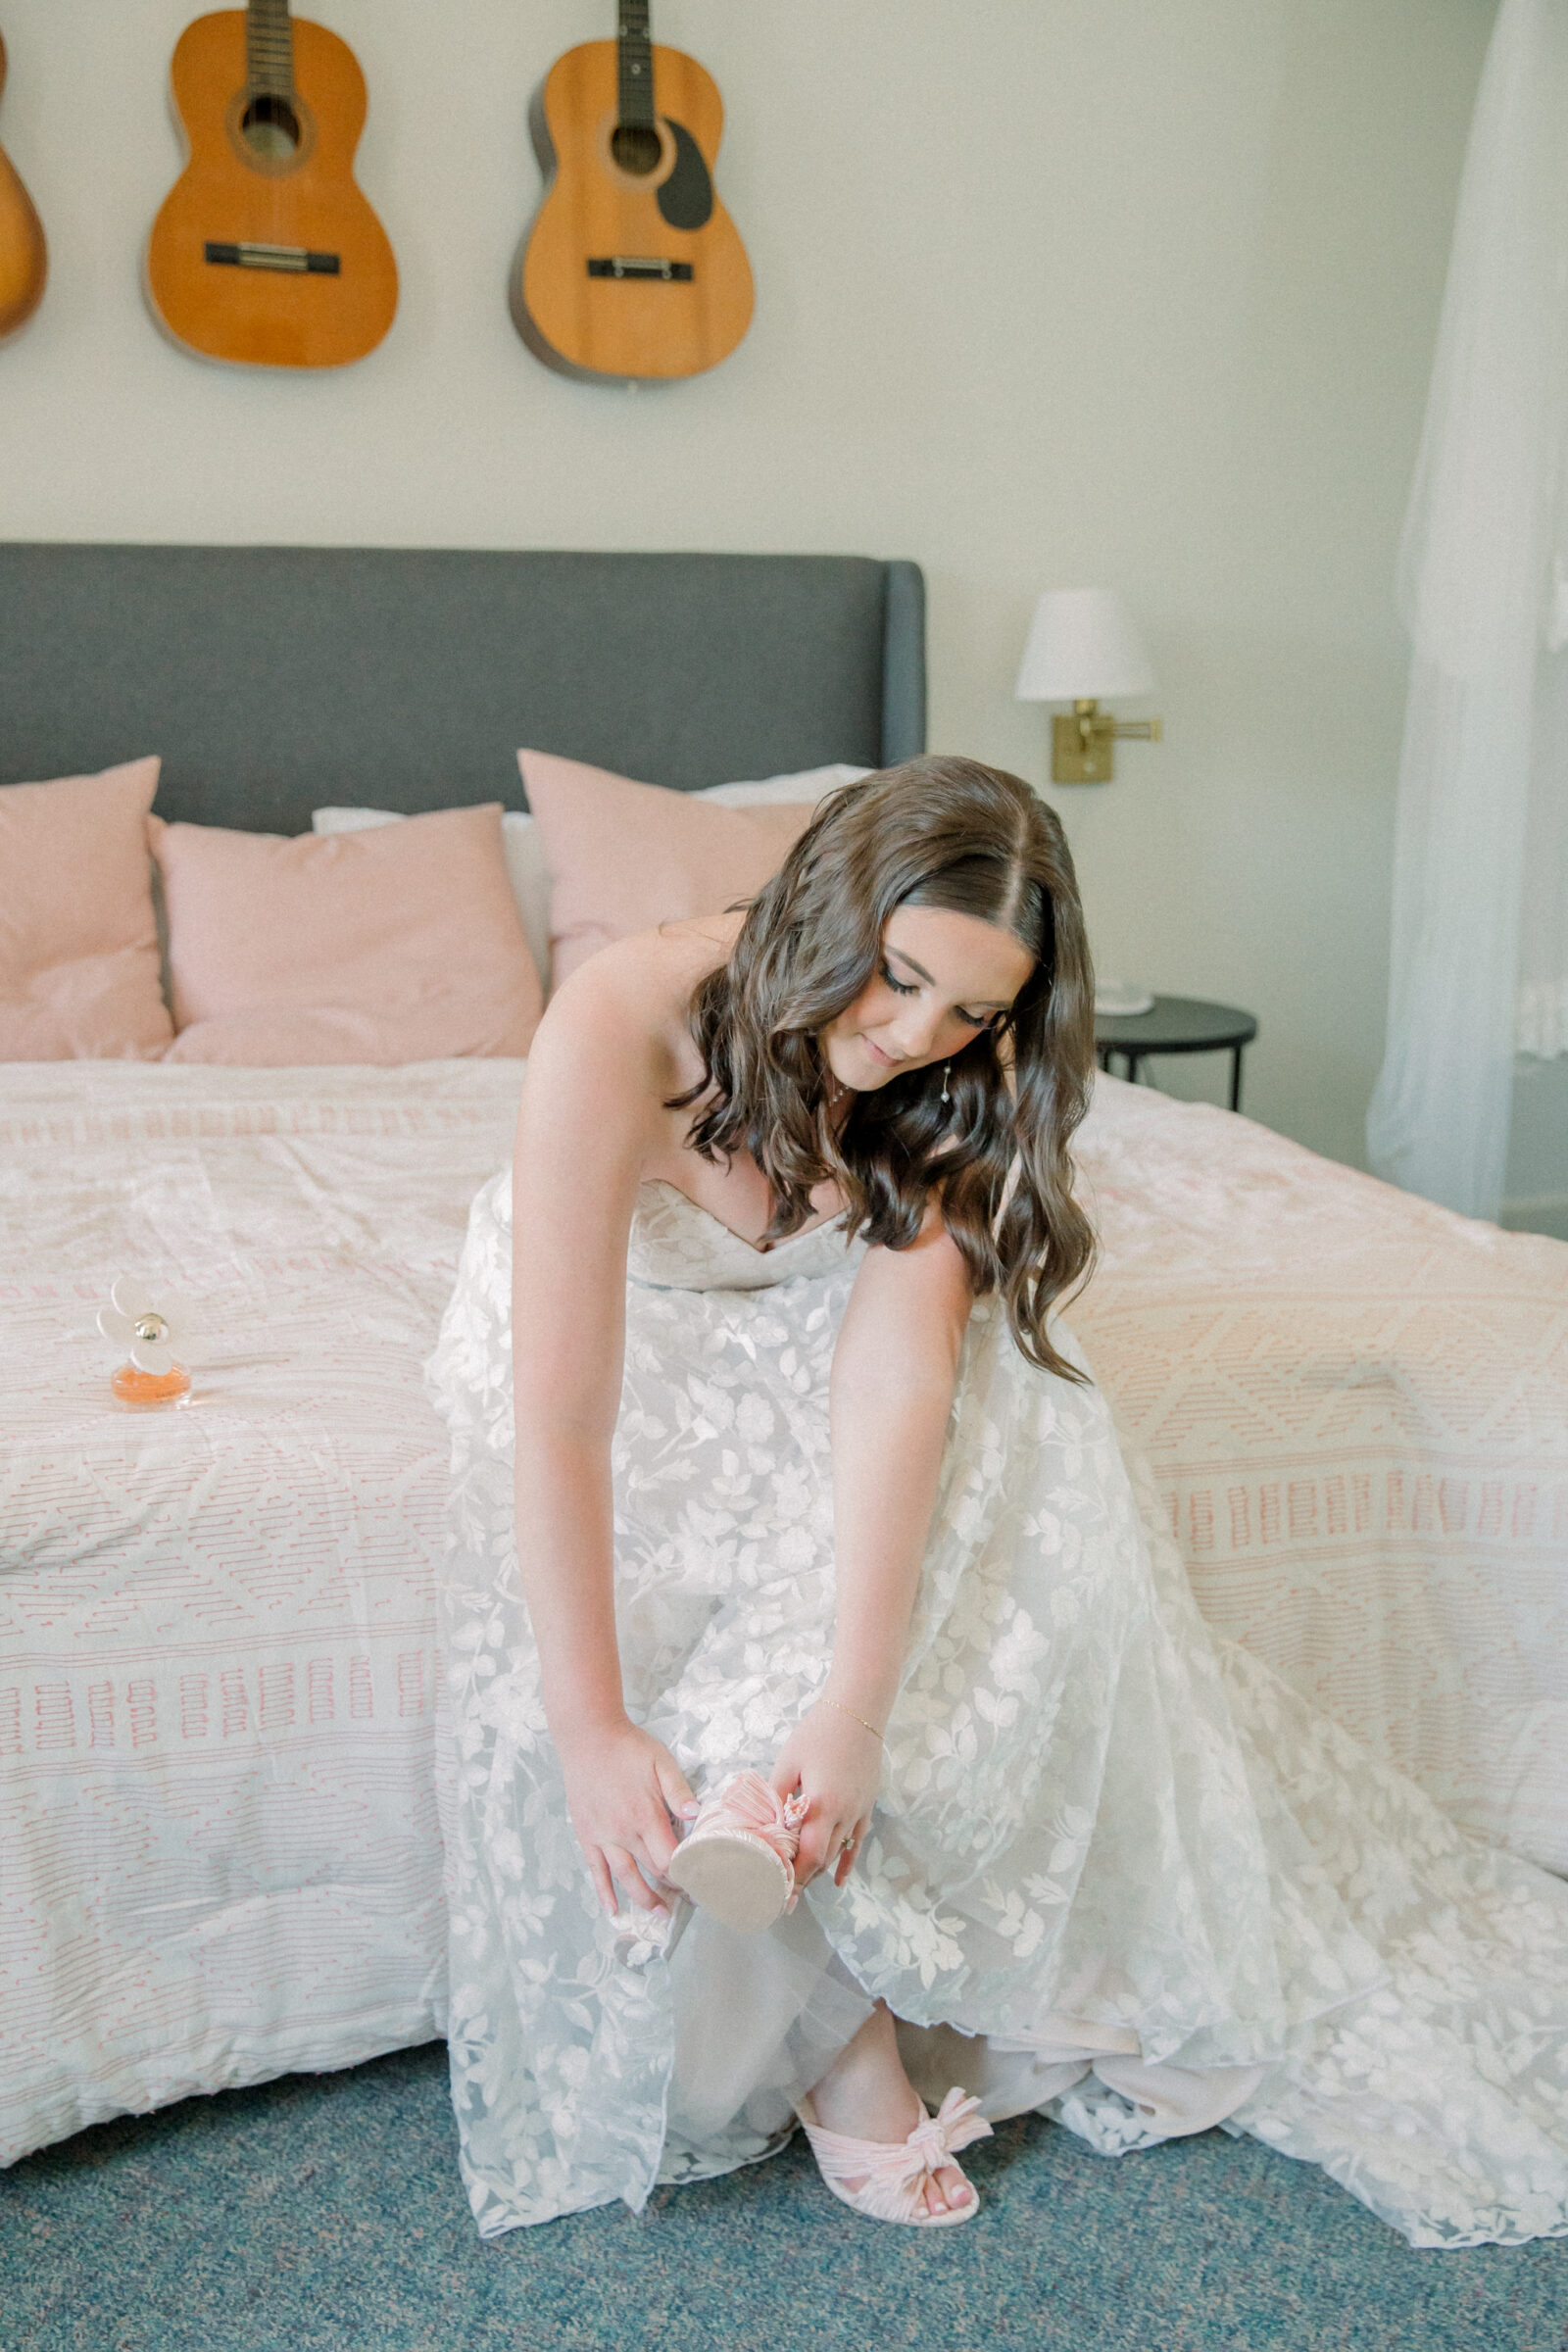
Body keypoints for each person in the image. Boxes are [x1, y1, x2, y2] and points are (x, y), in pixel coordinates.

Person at [430, 756, 1568, 2245]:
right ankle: (836, 2011)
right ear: (827, 910)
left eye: (969, 1011)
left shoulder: (952, 1081)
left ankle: (787, 1851)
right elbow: (565, 1413)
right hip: (621, 1333)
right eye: (892, 981)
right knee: (671, 1560)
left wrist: (857, 1702)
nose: (910, 1039)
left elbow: (896, 1381)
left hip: (831, 1333)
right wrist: (586, 1723)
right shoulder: (620, 1020)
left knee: (1008, 1435)